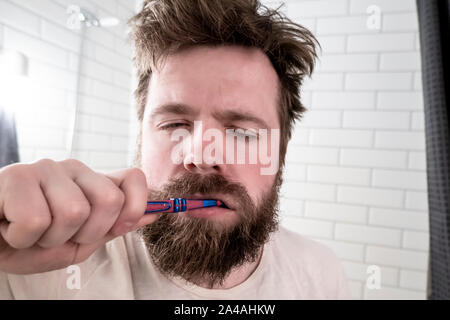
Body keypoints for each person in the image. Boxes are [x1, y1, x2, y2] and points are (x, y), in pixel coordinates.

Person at [0, 0, 350, 299]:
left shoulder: (320, 274)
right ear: (139, 139)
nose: (201, 155)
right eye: (174, 126)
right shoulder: (35, 269)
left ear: (281, 155)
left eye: (242, 133)